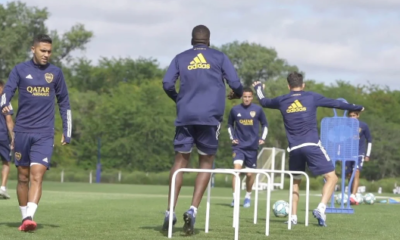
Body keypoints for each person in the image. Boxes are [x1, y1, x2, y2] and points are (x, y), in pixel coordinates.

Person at [252, 72, 364, 227]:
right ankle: (321, 208)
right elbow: (336, 104)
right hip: (311, 145)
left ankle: (293, 217)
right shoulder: (311, 97)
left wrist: (258, 87)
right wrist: (357, 107)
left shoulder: (282, 100)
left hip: (294, 148)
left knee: (295, 182)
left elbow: (264, 101)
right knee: (332, 178)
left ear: (288, 86)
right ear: (303, 85)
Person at [162, 25, 243, 235]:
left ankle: (170, 212)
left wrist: (178, 99)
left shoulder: (181, 57)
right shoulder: (219, 57)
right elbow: (236, 83)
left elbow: (167, 83)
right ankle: (193, 209)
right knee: (206, 163)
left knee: (180, 161)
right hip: (210, 118)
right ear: (208, 40)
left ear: (192, 41)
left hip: (185, 116)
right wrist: (237, 93)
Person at [0, 34, 72, 232]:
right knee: (22, 177)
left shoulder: (56, 73)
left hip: (44, 133)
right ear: (33, 49)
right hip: (22, 131)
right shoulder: (20, 70)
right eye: (43, 51)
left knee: (36, 175)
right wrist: (6, 106)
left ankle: (30, 215)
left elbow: (64, 102)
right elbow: (6, 94)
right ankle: (25, 218)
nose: (46, 55)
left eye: (49, 51)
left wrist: (67, 129)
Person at [227, 87, 268, 208]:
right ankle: (235, 198)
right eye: (245, 96)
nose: (247, 99)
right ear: (242, 97)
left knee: (250, 174)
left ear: (252, 97)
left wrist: (263, 138)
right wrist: (232, 137)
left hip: (252, 147)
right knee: (236, 171)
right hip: (238, 146)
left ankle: (248, 196)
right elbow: (229, 124)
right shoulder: (235, 110)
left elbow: (265, 124)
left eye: (249, 97)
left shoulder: (258, 110)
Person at [346, 110, 372, 205]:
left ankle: (353, 195)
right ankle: (351, 194)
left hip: (359, 153)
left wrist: (367, 155)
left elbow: (369, 140)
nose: (352, 117)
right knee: (349, 175)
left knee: (356, 172)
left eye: (354, 115)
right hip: (348, 153)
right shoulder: (346, 126)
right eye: (350, 116)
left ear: (358, 116)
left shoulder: (363, 126)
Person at [0, 80, 14, 199]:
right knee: (6, 162)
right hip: (2, 135)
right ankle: (2, 188)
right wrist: (14, 137)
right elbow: (9, 121)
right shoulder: (5, 102)